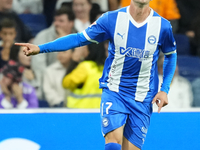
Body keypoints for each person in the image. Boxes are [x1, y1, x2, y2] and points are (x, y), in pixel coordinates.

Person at [15, 0, 177, 149]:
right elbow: (79, 39)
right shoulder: (111, 19)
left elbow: (171, 55)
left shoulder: (162, 26)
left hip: (143, 96)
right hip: (115, 91)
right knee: (113, 144)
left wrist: (164, 89)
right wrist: (41, 48)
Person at [31, 6, 75, 100]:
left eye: (61, 21)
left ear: (71, 23)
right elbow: (39, 68)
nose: (56, 24)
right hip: (49, 84)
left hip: (73, 82)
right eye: (55, 20)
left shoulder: (79, 37)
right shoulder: (42, 37)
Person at [62, 43, 106, 108]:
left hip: (82, 112)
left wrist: (74, 61)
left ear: (89, 49)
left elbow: (66, 83)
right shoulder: (106, 68)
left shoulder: (86, 67)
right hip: (101, 112)